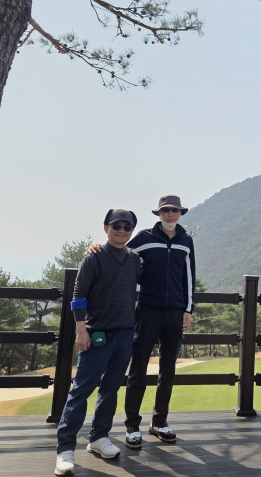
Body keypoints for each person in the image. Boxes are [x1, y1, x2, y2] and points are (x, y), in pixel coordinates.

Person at [55, 209, 141, 476]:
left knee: (111, 389)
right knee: (81, 390)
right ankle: (65, 449)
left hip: (125, 333)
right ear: (106, 228)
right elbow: (78, 296)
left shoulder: (134, 259)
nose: (122, 230)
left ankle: (98, 437)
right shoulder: (93, 257)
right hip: (96, 334)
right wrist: (81, 330)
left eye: (127, 227)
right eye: (117, 226)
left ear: (132, 230)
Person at [122, 194, 195, 448]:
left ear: (180, 213)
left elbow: (189, 276)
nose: (170, 214)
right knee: (138, 368)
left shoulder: (186, 241)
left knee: (168, 370)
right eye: (165, 210)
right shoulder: (144, 238)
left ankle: (159, 421)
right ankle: (132, 425)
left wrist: (188, 309)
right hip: (147, 310)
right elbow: (119, 252)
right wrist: (97, 250)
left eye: (175, 210)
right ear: (159, 213)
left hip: (175, 312)